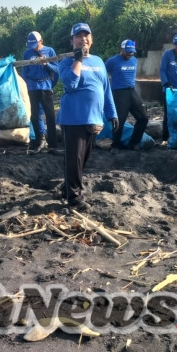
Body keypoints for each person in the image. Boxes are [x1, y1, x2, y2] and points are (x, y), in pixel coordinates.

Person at [56, 23, 118, 211]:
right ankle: (74, 198)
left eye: (86, 35)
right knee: (74, 159)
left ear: (91, 39)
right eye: (78, 36)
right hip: (73, 118)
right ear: (71, 41)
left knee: (83, 159)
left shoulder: (99, 61)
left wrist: (112, 113)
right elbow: (70, 83)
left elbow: (106, 89)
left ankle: (67, 188)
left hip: (94, 119)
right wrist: (78, 60)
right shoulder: (65, 62)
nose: (83, 38)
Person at [19, 31, 59, 153]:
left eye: (35, 45)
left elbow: (57, 69)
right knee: (34, 116)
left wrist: (46, 64)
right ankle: (39, 140)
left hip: (46, 86)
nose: (34, 48)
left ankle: (53, 145)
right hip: (32, 87)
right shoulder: (27, 53)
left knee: (50, 116)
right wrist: (24, 87)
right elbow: (25, 71)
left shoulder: (50, 51)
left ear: (41, 41)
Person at [105, 39, 148, 149]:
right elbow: (102, 74)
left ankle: (134, 142)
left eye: (132, 52)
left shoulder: (134, 60)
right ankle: (115, 145)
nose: (129, 54)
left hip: (132, 91)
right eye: (127, 51)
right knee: (119, 120)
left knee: (143, 117)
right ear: (121, 49)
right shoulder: (112, 61)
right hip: (119, 93)